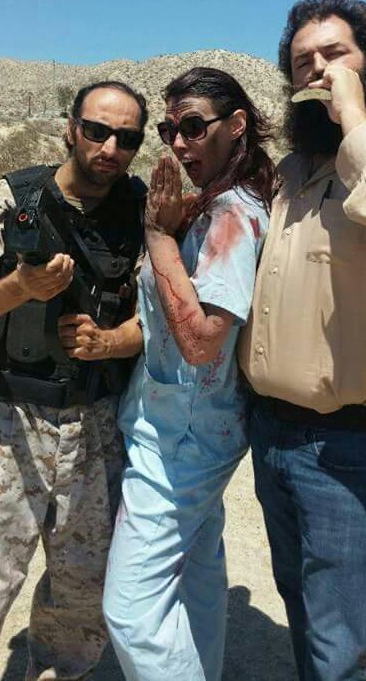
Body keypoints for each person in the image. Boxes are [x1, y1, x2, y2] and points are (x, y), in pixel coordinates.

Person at [239, 1, 366, 679]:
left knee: (345, 644)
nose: (318, 71)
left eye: (335, 55)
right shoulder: (293, 174)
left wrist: (353, 114)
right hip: (273, 434)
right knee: (304, 610)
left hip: (355, 449)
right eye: (303, 62)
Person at [0, 80, 147, 680]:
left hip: (95, 425)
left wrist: (112, 342)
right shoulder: (10, 198)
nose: (110, 148)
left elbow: (163, 318)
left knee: (82, 595)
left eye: (127, 138)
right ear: (71, 128)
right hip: (3, 422)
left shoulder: (139, 210)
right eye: (97, 130)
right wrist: (19, 288)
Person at [102, 67, 274, 681]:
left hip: (184, 438)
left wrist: (158, 237)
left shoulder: (230, 214)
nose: (178, 143)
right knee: (197, 570)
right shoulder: (214, 203)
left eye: (194, 126)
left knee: (130, 612)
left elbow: (201, 342)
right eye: (170, 129)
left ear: (236, 126)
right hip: (191, 426)